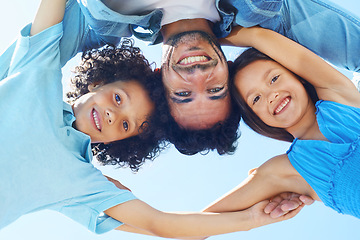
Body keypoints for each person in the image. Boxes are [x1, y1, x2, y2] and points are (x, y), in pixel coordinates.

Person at [0, 0, 311, 237]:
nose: (112, 114)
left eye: (124, 125)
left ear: (116, 143)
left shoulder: (80, 181)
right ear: (98, 83)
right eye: (118, 98)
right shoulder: (38, 70)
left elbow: (160, 224)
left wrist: (253, 219)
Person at [69, 0, 360, 156]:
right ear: (229, 70)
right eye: (216, 89)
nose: (198, 77)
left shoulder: (106, 26)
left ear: (158, 79)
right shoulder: (263, 10)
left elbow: (33, 64)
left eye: (182, 94)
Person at [202, 26, 360, 219]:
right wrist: (251, 220)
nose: (271, 95)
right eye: (256, 99)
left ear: (298, 76)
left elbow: (257, 36)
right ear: (257, 120)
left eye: (274, 78)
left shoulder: (339, 96)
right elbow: (205, 221)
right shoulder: (287, 170)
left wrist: (200, 39)